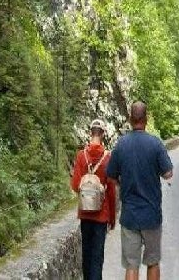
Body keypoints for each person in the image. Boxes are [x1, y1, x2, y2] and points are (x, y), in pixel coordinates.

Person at [107, 102, 173, 280]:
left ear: (130, 119)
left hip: (130, 216)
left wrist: (122, 184)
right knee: (153, 262)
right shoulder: (156, 144)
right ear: (146, 119)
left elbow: (111, 176)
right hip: (151, 215)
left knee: (131, 265)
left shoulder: (121, 145)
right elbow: (168, 173)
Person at [71, 119, 117, 280]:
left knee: (87, 256)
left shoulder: (81, 156)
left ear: (91, 133)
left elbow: (75, 185)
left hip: (85, 213)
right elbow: (111, 190)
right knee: (97, 258)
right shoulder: (108, 158)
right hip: (101, 215)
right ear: (103, 134)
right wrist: (112, 219)